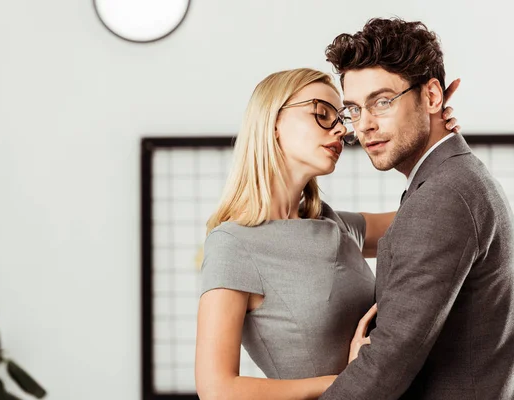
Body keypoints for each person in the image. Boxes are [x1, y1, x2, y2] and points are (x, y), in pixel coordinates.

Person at [194, 66, 459, 399]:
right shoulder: (232, 244)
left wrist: (432, 133)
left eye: (341, 119)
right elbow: (216, 389)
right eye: (322, 114)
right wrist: (349, 381)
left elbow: (436, 215)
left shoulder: (335, 225)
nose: (341, 131)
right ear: (273, 121)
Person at [318, 18, 514, 400]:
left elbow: (390, 359)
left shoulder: (445, 193)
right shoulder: (451, 178)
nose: (365, 125)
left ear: (432, 97)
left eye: (382, 102)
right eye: (354, 109)